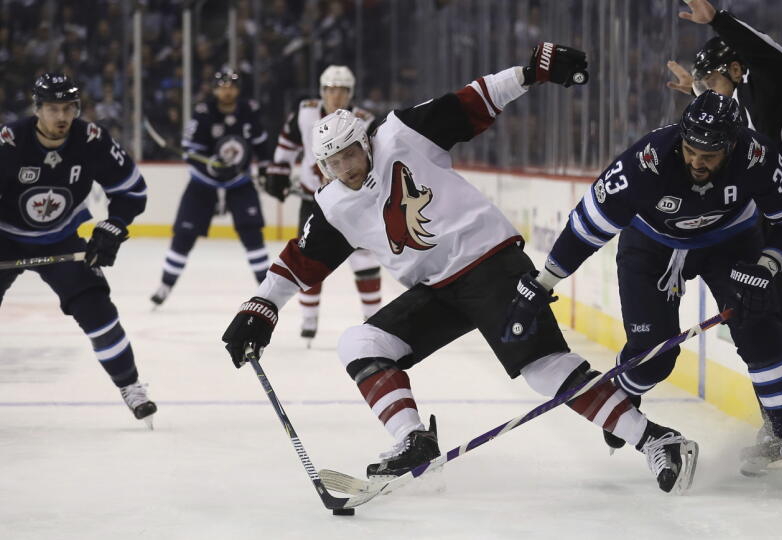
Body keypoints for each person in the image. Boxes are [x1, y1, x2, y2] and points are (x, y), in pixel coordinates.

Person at [222, 43, 699, 494]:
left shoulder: (400, 134)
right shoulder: (333, 205)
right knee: (361, 343)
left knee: (543, 368)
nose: (345, 168)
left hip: (489, 263)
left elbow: (471, 101)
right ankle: (414, 441)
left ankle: (657, 439)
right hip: (437, 288)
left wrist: (531, 73)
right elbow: (300, 261)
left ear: (364, 142)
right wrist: (261, 305)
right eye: (332, 162)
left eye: (350, 153)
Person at [503, 91, 782, 490]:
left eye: (709, 155)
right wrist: (542, 285)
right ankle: (623, 400)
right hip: (651, 246)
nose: (697, 161)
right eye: (691, 149)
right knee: (653, 357)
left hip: (730, 243)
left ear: (731, 145)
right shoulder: (647, 162)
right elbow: (586, 227)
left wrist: (767, 266)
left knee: (762, 333)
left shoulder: (755, 156)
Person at [664, 0, 782, 475]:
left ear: (737, 69)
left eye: (712, 82)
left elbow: (772, 60)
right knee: (758, 319)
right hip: (759, 223)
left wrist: (719, 20)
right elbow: (720, 121)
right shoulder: (732, 110)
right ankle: (778, 425)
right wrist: (694, 89)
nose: (707, 95)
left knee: (768, 313)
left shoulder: (765, 90)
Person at [0, 73, 156, 426]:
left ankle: (131, 386)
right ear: (37, 109)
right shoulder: (9, 142)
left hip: (61, 235)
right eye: (52, 109)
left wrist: (114, 224)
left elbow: (132, 190)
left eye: (68, 108)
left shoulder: (91, 140)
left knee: (97, 308)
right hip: (4, 236)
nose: (61, 117)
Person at [262, 65, 382, 343]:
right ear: (321, 91)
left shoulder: (364, 120)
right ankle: (309, 319)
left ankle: (374, 318)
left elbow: (378, 158)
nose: (335, 95)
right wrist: (278, 170)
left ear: (350, 93)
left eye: (341, 90)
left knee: (363, 257)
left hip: (355, 200)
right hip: (314, 200)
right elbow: (287, 144)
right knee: (310, 256)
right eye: (330, 89)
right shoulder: (305, 114)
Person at [150, 69, 272, 306]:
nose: (227, 91)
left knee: (252, 234)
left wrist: (267, 170)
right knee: (184, 235)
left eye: (232, 86)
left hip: (239, 183)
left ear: (238, 90)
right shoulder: (203, 113)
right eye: (222, 86)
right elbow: (191, 151)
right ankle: (165, 285)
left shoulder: (249, 111)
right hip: (202, 184)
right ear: (215, 90)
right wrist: (211, 167)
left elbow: (261, 145)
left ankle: (267, 289)